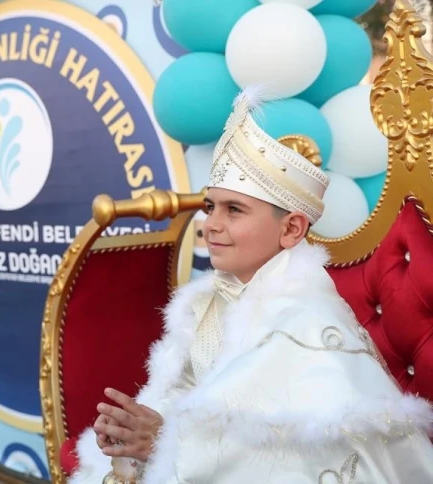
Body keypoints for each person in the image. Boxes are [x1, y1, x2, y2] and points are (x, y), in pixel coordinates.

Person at [68, 87, 433, 483]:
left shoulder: (308, 322)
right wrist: (136, 426)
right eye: (211, 207)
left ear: (291, 229)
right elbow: (188, 393)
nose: (211, 224)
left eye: (234, 210)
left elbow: (305, 461)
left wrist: (167, 442)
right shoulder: (209, 301)